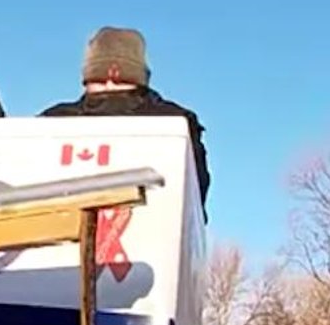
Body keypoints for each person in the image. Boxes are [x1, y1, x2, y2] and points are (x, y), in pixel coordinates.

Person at [40, 26, 211, 207]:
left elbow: (192, 201)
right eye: (99, 79)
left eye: (122, 81)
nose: (110, 85)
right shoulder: (51, 123)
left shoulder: (176, 125)